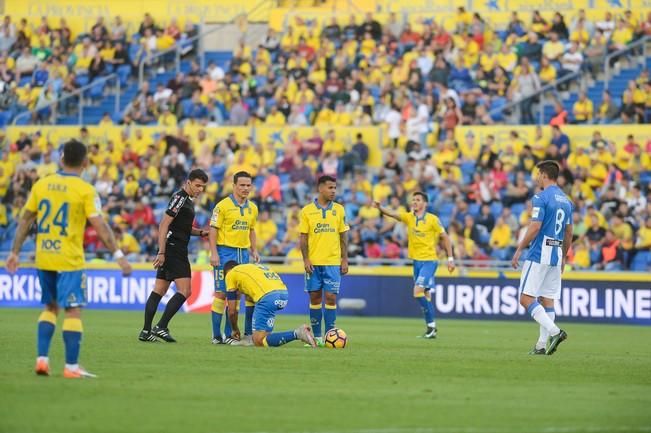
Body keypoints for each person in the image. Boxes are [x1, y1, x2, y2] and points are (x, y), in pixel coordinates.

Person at [6, 139, 132, 378]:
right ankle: (71, 367)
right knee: (73, 311)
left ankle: (42, 360)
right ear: (85, 163)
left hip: (44, 257)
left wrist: (14, 252)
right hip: (70, 259)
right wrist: (118, 255)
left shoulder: (42, 185)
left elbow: (25, 220)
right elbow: (100, 225)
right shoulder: (85, 190)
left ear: (61, 159)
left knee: (50, 307)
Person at [139, 169, 209, 343]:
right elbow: (163, 225)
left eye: (203, 187)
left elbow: (181, 227)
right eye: (197, 185)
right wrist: (161, 252)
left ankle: (146, 331)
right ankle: (161, 326)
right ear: (188, 182)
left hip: (172, 248)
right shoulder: (180, 198)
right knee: (186, 291)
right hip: (174, 249)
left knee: (159, 290)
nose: (200, 189)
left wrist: (200, 233)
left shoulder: (187, 201)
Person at [374, 192, 455, 338]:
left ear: (425, 204)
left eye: (418, 200)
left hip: (429, 261)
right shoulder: (409, 217)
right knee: (425, 294)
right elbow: (392, 214)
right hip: (416, 262)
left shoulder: (432, 219)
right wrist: (380, 208)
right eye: (413, 200)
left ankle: (432, 328)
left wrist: (450, 258)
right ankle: (431, 328)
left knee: (417, 291)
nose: (414, 202)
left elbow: (445, 237)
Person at [512, 160, 572, 356]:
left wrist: (519, 248)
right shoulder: (566, 200)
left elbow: (535, 226)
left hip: (539, 254)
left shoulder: (540, 197)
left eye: (538, 174)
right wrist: (563, 255)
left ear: (545, 175)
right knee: (548, 301)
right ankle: (540, 345)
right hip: (555, 256)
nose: (537, 177)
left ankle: (556, 332)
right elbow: (568, 232)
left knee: (525, 298)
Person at [208, 171, 260, 345]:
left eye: (248, 185)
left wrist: (254, 250)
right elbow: (213, 230)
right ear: (234, 186)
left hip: (243, 254)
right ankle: (216, 335)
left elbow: (251, 230)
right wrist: (214, 252)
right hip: (225, 253)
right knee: (222, 293)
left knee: (236, 294)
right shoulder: (222, 206)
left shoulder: (253, 208)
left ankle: (231, 334)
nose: (246, 188)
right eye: (242, 185)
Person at [299, 175, 349, 347]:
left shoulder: (340, 210)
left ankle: (329, 335)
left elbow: (343, 236)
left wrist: (345, 259)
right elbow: (303, 238)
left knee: (330, 298)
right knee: (314, 298)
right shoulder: (306, 211)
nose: (333, 191)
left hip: (332, 262)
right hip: (313, 262)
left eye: (335, 188)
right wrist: (305, 259)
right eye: (330, 188)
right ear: (320, 188)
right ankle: (317, 338)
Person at [223, 262, 316, 348]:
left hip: (267, 297)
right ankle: (250, 337)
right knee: (264, 338)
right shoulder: (250, 269)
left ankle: (298, 333)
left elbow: (232, 311)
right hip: (283, 294)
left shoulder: (230, 274)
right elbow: (250, 301)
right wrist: (248, 334)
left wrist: (235, 329)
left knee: (258, 341)